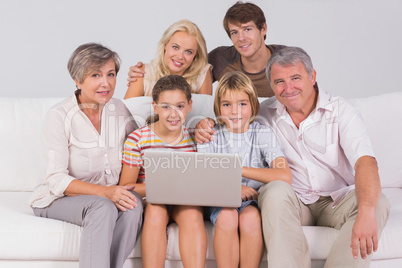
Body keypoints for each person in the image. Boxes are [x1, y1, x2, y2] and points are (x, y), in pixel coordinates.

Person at [196, 47, 390, 267]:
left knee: (377, 202)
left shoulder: (342, 111)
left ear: (312, 77)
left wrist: (365, 211)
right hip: (294, 202)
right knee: (275, 190)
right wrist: (203, 123)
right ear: (271, 85)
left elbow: (365, 163)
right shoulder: (263, 113)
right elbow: (229, 116)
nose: (288, 88)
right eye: (279, 81)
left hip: (337, 200)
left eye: (295, 78)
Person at [29, 43, 143, 268]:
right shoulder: (59, 116)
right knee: (103, 206)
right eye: (95, 75)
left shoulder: (119, 109)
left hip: (105, 196)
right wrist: (106, 193)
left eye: (111, 74)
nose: (106, 83)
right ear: (78, 80)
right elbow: (56, 179)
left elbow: (141, 146)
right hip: (57, 198)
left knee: (133, 204)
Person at [197, 71, 292, 267]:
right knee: (227, 216)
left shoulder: (262, 133)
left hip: (251, 201)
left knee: (250, 219)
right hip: (219, 200)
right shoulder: (210, 134)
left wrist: (237, 169)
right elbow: (205, 176)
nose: (235, 111)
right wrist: (232, 189)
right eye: (227, 105)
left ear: (252, 105)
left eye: (242, 104)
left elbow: (283, 175)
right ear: (218, 107)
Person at [119, 75, 207, 268]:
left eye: (180, 106)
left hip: (184, 201)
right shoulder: (138, 139)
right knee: (156, 211)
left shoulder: (195, 137)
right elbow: (126, 188)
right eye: (166, 106)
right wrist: (160, 187)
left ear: (190, 106)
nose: (173, 113)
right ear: (155, 106)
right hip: (152, 200)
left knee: (192, 213)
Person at [127, 1, 284, 98]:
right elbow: (185, 67)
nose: (241, 38)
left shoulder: (287, 59)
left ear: (263, 29)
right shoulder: (220, 58)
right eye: (234, 32)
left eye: (247, 29)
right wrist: (140, 74)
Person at [124, 19, 213, 99]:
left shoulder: (202, 73)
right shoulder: (143, 73)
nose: (180, 56)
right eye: (175, 47)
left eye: (188, 52)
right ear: (165, 45)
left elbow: (205, 115)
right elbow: (124, 114)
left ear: (196, 55)